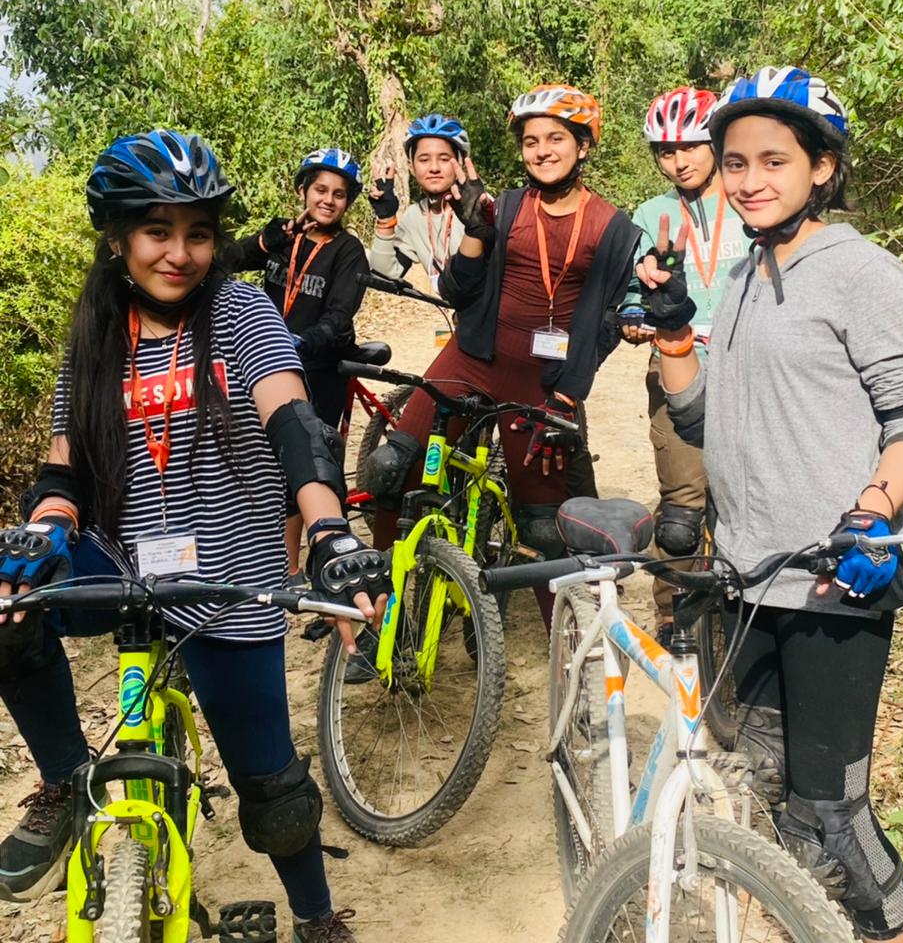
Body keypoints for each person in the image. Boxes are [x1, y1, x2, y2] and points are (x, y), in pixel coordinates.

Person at [0, 130, 388, 943]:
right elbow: (64, 468)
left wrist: (327, 530)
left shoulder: (240, 312)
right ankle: (66, 778)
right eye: (158, 231)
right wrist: (43, 531)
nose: (180, 254)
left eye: (199, 233)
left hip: (229, 566)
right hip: (120, 555)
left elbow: (293, 422)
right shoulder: (95, 334)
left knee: (272, 790)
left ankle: (316, 917)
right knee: (6, 603)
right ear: (118, 237)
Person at [637, 67, 903, 943]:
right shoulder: (744, 274)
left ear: (823, 167)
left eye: (774, 161)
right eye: (735, 163)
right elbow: (701, 417)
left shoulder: (862, 274)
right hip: (748, 574)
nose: (749, 180)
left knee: (834, 818)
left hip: (835, 577)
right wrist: (674, 333)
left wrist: (873, 511)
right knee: (768, 791)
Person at [367, 84, 640, 610]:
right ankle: (379, 609)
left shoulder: (612, 227)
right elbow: (457, 291)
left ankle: (566, 644)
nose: (542, 151)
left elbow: (601, 326)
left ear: (583, 146)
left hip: (540, 381)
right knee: (389, 469)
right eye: (531, 141)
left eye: (556, 139)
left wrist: (567, 397)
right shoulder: (505, 207)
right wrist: (476, 230)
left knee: (541, 528)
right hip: (470, 358)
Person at [619, 87, 748, 644]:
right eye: (666, 151)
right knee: (682, 506)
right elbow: (634, 284)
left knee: (749, 491)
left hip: (749, 364)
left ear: (716, 142)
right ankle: (674, 608)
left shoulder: (748, 198)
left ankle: (752, 601)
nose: (679, 161)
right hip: (676, 362)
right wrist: (632, 312)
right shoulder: (652, 214)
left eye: (691, 146)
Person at [235, 148, 368, 574]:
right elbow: (221, 260)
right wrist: (265, 241)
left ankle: (293, 572)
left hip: (317, 369)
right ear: (302, 192)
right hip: (264, 367)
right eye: (320, 190)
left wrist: (301, 342)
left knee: (302, 467)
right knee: (259, 463)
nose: (328, 200)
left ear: (348, 202)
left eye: (339, 194)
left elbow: (339, 317)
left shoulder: (348, 251)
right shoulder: (284, 237)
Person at [367, 114, 470, 289]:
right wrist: (385, 219)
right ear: (411, 167)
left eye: (444, 159)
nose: (434, 168)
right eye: (424, 160)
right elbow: (385, 276)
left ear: (460, 163)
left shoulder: (480, 206)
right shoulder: (414, 217)